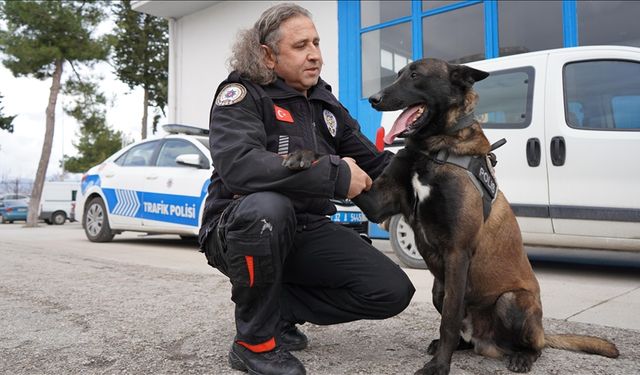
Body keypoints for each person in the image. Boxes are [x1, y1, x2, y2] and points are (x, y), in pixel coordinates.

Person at [198, 4, 415, 374]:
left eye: (316, 42)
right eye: (301, 46)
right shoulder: (242, 95)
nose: (315, 54)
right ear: (268, 54)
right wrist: (333, 173)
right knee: (269, 208)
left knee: (391, 290)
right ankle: (254, 343)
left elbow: (376, 164)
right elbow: (239, 166)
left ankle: (277, 310)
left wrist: (440, 170)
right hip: (238, 227)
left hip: (306, 228)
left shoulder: (325, 103)